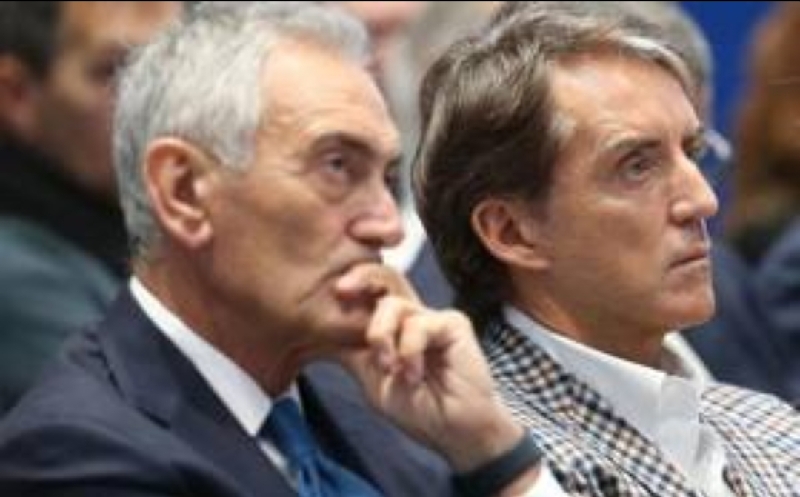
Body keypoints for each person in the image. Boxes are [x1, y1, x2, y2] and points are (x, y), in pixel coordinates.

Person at [0, 3, 549, 496]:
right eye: (338, 167)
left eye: (386, 179)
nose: (389, 228)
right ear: (184, 192)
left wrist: (491, 449)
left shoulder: (386, 402)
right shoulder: (75, 451)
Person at [414, 8, 800, 496]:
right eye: (636, 166)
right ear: (511, 232)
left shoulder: (769, 424)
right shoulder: (490, 456)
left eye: (692, 151)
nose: (703, 200)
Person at [0, 1, 181, 412]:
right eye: (116, 71)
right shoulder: (15, 275)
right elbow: (149, 430)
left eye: (176, 67)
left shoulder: (141, 228)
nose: (163, 101)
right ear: (16, 94)